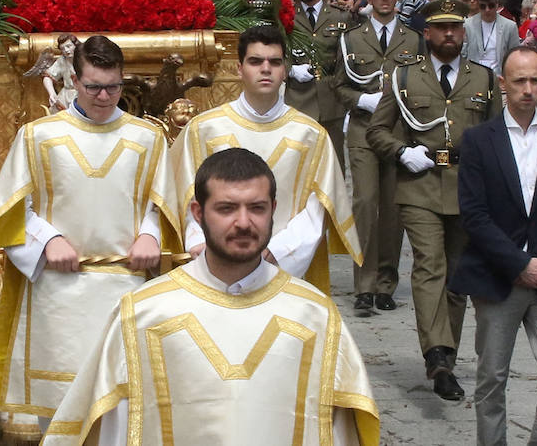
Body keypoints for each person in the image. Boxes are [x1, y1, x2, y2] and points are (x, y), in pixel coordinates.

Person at [44, 148, 379, 446]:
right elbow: (110, 429)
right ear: (198, 212)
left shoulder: (315, 315)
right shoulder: (143, 314)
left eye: (257, 208)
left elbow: (341, 432)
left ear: (273, 209)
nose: (244, 222)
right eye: (227, 208)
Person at [0, 35, 179, 438]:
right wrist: (47, 240)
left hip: (126, 288)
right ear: (74, 79)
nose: (104, 97)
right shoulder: (38, 137)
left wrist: (151, 236)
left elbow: (162, 206)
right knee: (62, 416)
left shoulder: (148, 138)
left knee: (123, 412)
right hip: (59, 292)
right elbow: (10, 210)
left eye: (114, 87)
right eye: (93, 87)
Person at [368, 0, 500, 401]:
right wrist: (401, 152)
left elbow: (498, 138)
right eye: (441, 28)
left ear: (465, 32)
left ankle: (448, 357)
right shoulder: (404, 77)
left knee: (457, 280)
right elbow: (377, 131)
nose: (449, 34)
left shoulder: (484, 79)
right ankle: (437, 355)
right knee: (429, 265)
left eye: (456, 28)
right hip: (419, 186)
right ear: (427, 33)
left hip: (466, 188)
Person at [453, 47, 537, 446]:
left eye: (535, 80)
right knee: (491, 377)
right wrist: (517, 264)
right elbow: (473, 214)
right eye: (520, 81)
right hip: (497, 274)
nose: (528, 89)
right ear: (503, 84)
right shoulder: (478, 140)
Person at [172, 24, 360, 291]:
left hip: (284, 265)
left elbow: (318, 208)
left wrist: (277, 250)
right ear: (239, 69)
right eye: (255, 61)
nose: (265, 69)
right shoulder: (204, 129)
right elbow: (185, 194)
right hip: (213, 263)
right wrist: (200, 243)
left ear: (284, 71)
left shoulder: (310, 135)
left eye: (274, 62)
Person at [336, 0, 421, 314]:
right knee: (365, 203)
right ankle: (364, 284)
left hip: (398, 132)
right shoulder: (353, 38)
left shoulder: (413, 40)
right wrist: (360, 100)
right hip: (363, 131)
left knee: (393, 209)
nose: (385, 0)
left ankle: (386, 282)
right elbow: (338, 85)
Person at [286, 0, 355, 170]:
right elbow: (276, 49)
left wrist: (345, 95)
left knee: (333, 163)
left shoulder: (339, 16)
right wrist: (290, 69)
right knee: (298, 163)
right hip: (299, 97)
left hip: (331, 98)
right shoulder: (288, 15)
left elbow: (347, 58)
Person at [463, 0, 519, 76]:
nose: (487, 10)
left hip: (499, 77)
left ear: (497, 4)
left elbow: (515, 57)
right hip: (474, 77)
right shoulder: (467, 25)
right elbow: (463, 54)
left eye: (491, 6)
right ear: (477, 4)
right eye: (483, 6)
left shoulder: (510, 26)